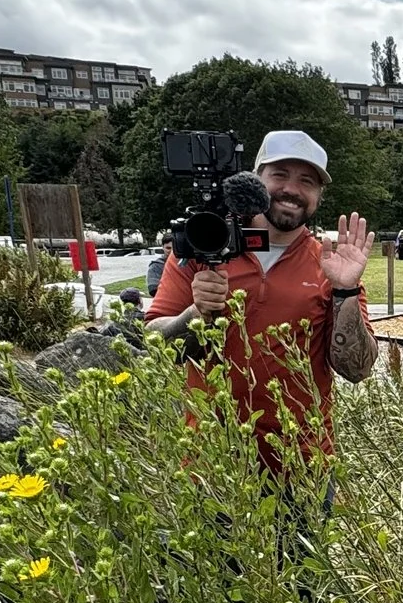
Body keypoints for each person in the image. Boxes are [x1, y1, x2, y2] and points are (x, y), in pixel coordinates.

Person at [143, 130, 376, 463]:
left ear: (319, 195)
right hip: (213, 467)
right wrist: (196, 315)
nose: (292, 190)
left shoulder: (330, 266)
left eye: (307, 181)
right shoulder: (201, 245)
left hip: (302, 466)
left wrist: (346, 290)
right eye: (279, 174)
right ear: (254, 181)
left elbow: (357, 369)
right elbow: (153, 345)